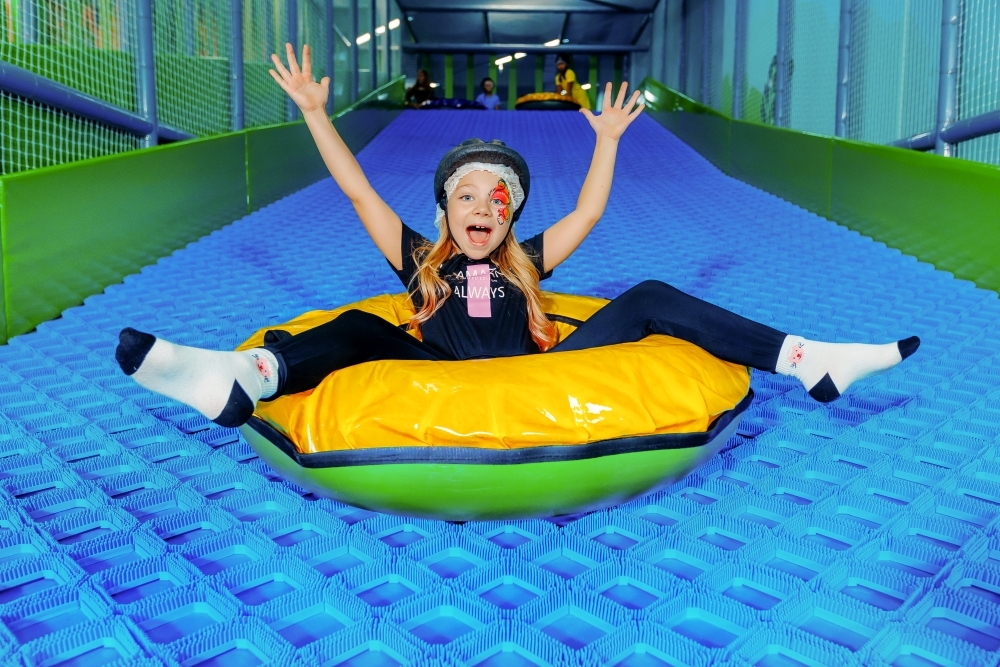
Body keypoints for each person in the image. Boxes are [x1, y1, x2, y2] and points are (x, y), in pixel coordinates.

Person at [114, 44, 919, 428]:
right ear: (444, 212)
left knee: (646, 294)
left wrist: (607, 142)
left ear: (509, 217)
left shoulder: (526, 262)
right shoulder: (422, 261)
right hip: (433, 371)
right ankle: (246, 375)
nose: (482, 207)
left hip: (540, 372)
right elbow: (357, 189)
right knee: (356, 325)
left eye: (497, 200)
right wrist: (317, 114)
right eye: (466, 196)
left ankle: (807, 360)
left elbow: (589, 215)